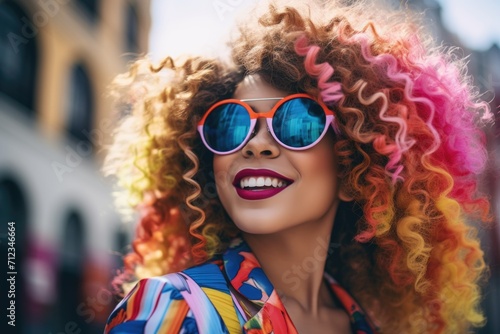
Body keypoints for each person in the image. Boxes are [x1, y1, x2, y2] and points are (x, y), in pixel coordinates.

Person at [103, 0, 492, 333]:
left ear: (353, 167)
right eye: (231, 125)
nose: (255, 144)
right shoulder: (174, 310)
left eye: (296, 121)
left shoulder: (360, 323)